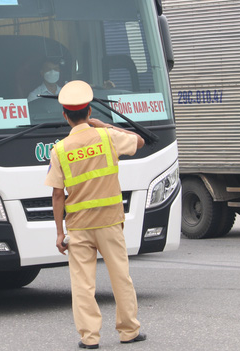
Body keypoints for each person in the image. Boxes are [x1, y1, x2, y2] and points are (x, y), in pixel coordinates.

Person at [45, 80, 146, 349]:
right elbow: (139, 141)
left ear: (65, 116)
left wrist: (59, 233)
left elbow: (57, 194)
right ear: (89, 112)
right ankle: (129, 331)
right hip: (110, 222)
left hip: (78, 226)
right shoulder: (106, 137)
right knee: (120, 277)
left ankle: (90, 338)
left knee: (82, 284)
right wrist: (106, 126)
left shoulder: (59, 150)